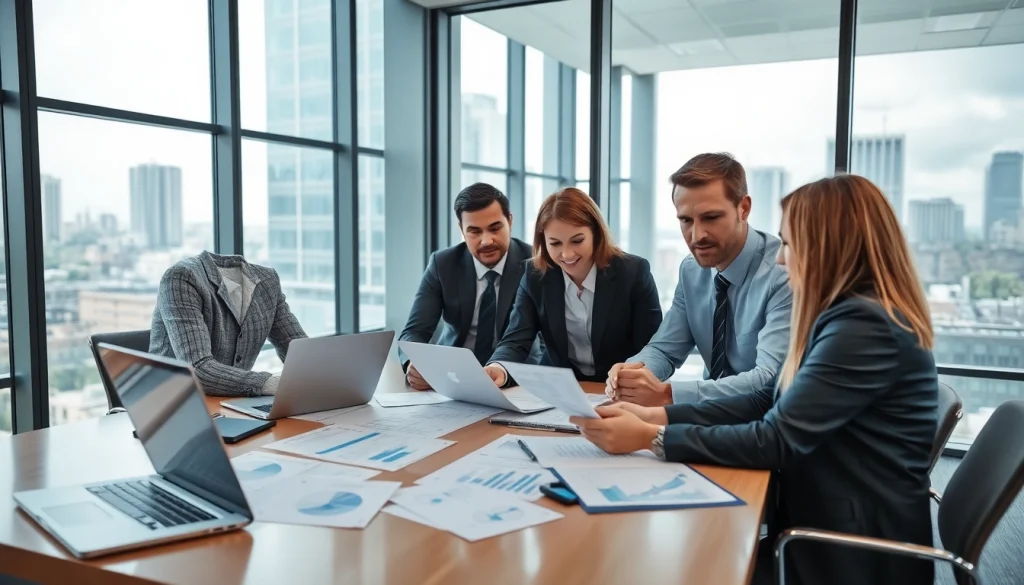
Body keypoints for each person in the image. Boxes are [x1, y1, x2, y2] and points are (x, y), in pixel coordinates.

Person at [572, 174, 938, 585]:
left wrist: (650, 439)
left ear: (830, 248)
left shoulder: (862, 327)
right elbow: (770, 400)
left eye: (791, 244)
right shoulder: (849, 314)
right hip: (822, 515)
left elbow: (776, 438)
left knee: (675, 564)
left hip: (848, 547)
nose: (782, 259)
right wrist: (658, 418)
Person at [607, 152, 791, 406]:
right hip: (706, 420)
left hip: (762, 423)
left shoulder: (782, 274)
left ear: (744, 208)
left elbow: (768, 379)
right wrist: (632, 374)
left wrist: (668, 394)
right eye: (685, 220)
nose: (697, 235)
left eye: (711, 218)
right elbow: (664, 349)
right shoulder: (691, 270)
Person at [484, 187, 663, 385]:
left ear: (596, 233)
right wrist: (497, 367)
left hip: (618, 387)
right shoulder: (535, 275)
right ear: (543, 241)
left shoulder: (633, 272)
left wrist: (631, 376)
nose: (567, 254)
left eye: (577, 241)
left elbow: (651, 347)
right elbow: (516, 339)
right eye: (555, 243)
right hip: (558, 388)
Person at [398, 183, 538, 390]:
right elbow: (414, 331)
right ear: (461, 229)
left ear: (510, 221)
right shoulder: (443, 264)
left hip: (516, 380)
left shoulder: (535, 263)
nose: (486, 241)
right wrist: (415, 364)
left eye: (495, 228)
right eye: (474, 231)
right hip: (451, 380)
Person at [150, 251, 308, 397]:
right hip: (170, 406)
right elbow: (197, 369)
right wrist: (271, 383)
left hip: (231, 404)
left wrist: (325, 376)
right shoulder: (181, 277)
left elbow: (302, 353)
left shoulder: (268, 282)